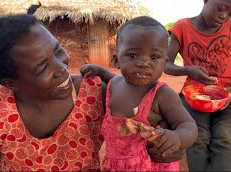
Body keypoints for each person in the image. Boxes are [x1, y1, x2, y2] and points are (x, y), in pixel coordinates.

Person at [0, 14, 184, 171]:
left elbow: (162, 121)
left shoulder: (92, 93)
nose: (61, 68)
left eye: (58, 51)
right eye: (42, 67)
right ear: (11, 83)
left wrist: (172, 144)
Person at [80, 16, 198, 171]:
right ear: (116, 60)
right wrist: (100, 70)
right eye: (133, 55)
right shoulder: (115, 84)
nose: (144, 63)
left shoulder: (162, 95)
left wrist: (178, 137)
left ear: (165, 62)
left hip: (150, 166)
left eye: (154, 57)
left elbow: (188, 125)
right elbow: (113, 78)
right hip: (116, 165)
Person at [165, 0, 231, 171]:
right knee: (197, 135)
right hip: (195, 96)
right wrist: (187, 70)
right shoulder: (182, 27)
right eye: (221, 8)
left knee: (224, 136)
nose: (224, 16)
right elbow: (166, 64)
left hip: (228, 97)